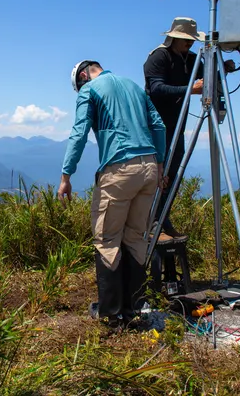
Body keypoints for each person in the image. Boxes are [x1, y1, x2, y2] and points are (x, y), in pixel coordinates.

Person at [59, 59, 168, 328]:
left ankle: (110, 314)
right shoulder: (134, 87)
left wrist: (66, 175)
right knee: (135, 238)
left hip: (119, 169)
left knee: (107, 239)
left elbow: (79, 133)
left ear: (83, 75)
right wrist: (160, 163)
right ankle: (133, 310)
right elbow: (159, 126)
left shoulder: (90, 90)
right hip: (149, 168)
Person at [142, 17, 239, 241]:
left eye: (191, 41)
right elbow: (155, 89)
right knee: (158, 173)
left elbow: (205, 77)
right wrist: (190, 89)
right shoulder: (159, 57)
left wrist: (223, 69)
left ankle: (162, 218)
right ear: (174, 38)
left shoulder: (191, 59)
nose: (190, 44)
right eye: (186, 40)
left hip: (177, 123)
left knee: (173, 170)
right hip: (156, 125)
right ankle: (151, 221)